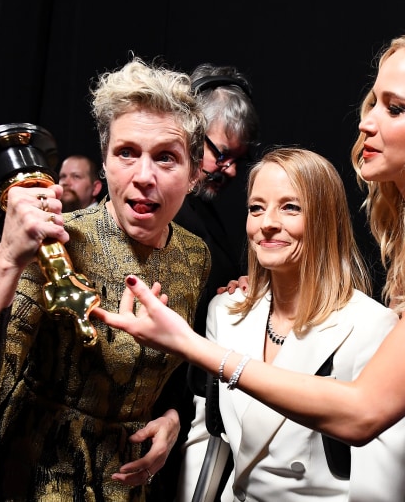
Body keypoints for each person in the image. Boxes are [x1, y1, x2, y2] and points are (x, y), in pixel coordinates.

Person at [94, 23, 405, 501]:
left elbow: (363, 413)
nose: (367, 122)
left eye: (395, 108)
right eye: (373, 103)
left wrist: (191, 344)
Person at [0, 56, 210, 501]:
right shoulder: (57, 245)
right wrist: (8, 258)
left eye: (166, 158)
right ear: (104, 161)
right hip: (34, 481)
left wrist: (173, 418)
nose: (143, 176)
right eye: (126, 153)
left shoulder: (194, 255)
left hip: (125, 486)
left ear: (194, 173)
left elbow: (175, 369)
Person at [176, 147, 405, 501]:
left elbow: (381, 485)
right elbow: (208, 437)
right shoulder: (224, 312)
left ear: (325, 219)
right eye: (256, 208)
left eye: (290, 207)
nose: (267, 222)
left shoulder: (371, 326)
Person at [164, 63, 261, 499]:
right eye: (220, 153)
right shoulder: (163, 209)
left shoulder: (205, 213)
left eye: (238, 160)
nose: (229, 170)